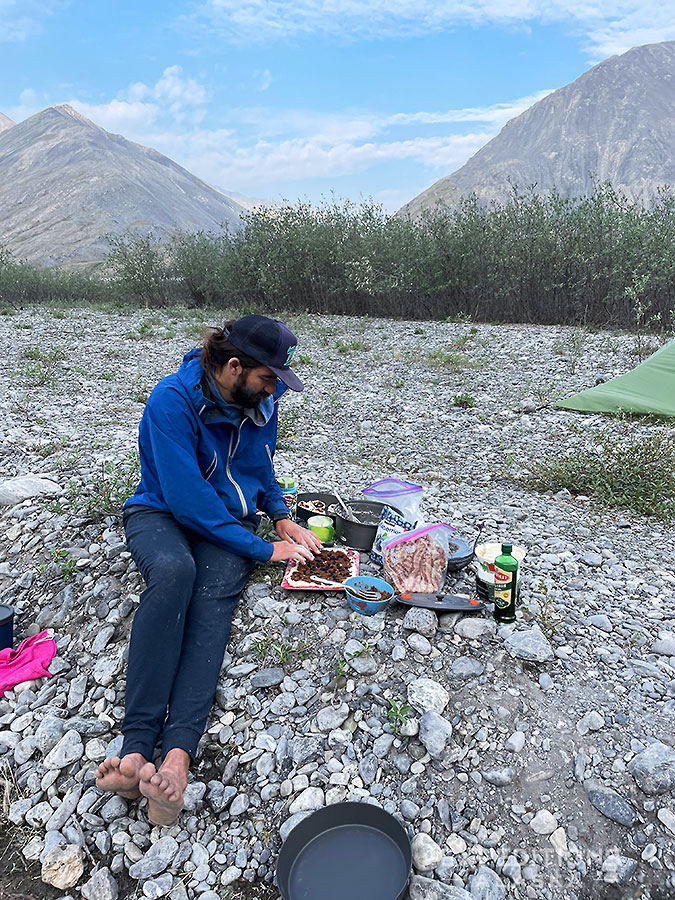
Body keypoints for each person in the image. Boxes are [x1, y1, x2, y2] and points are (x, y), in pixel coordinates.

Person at [95, 314, 321, 825]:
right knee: (173, 574)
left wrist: (282, 517)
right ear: (234, 366)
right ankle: (135, 750)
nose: (273, 390)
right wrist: (263, 551)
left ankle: (176, 759)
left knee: (213, 597)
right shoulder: (171, 402)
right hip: (161, 511)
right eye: (268, 378)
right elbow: (187, 499)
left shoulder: (260, 402)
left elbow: (260, 471)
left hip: (226, 520)